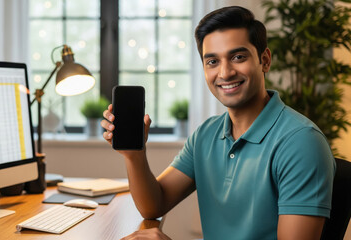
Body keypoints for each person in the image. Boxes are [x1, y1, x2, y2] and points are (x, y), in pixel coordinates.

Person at [101, 6, 335, 240]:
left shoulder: (302, 142)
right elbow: (154, 204)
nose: (225, 73)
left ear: (264, 60)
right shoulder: (206, 134)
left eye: (238, 57)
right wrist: (134, 154)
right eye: (212, 61)